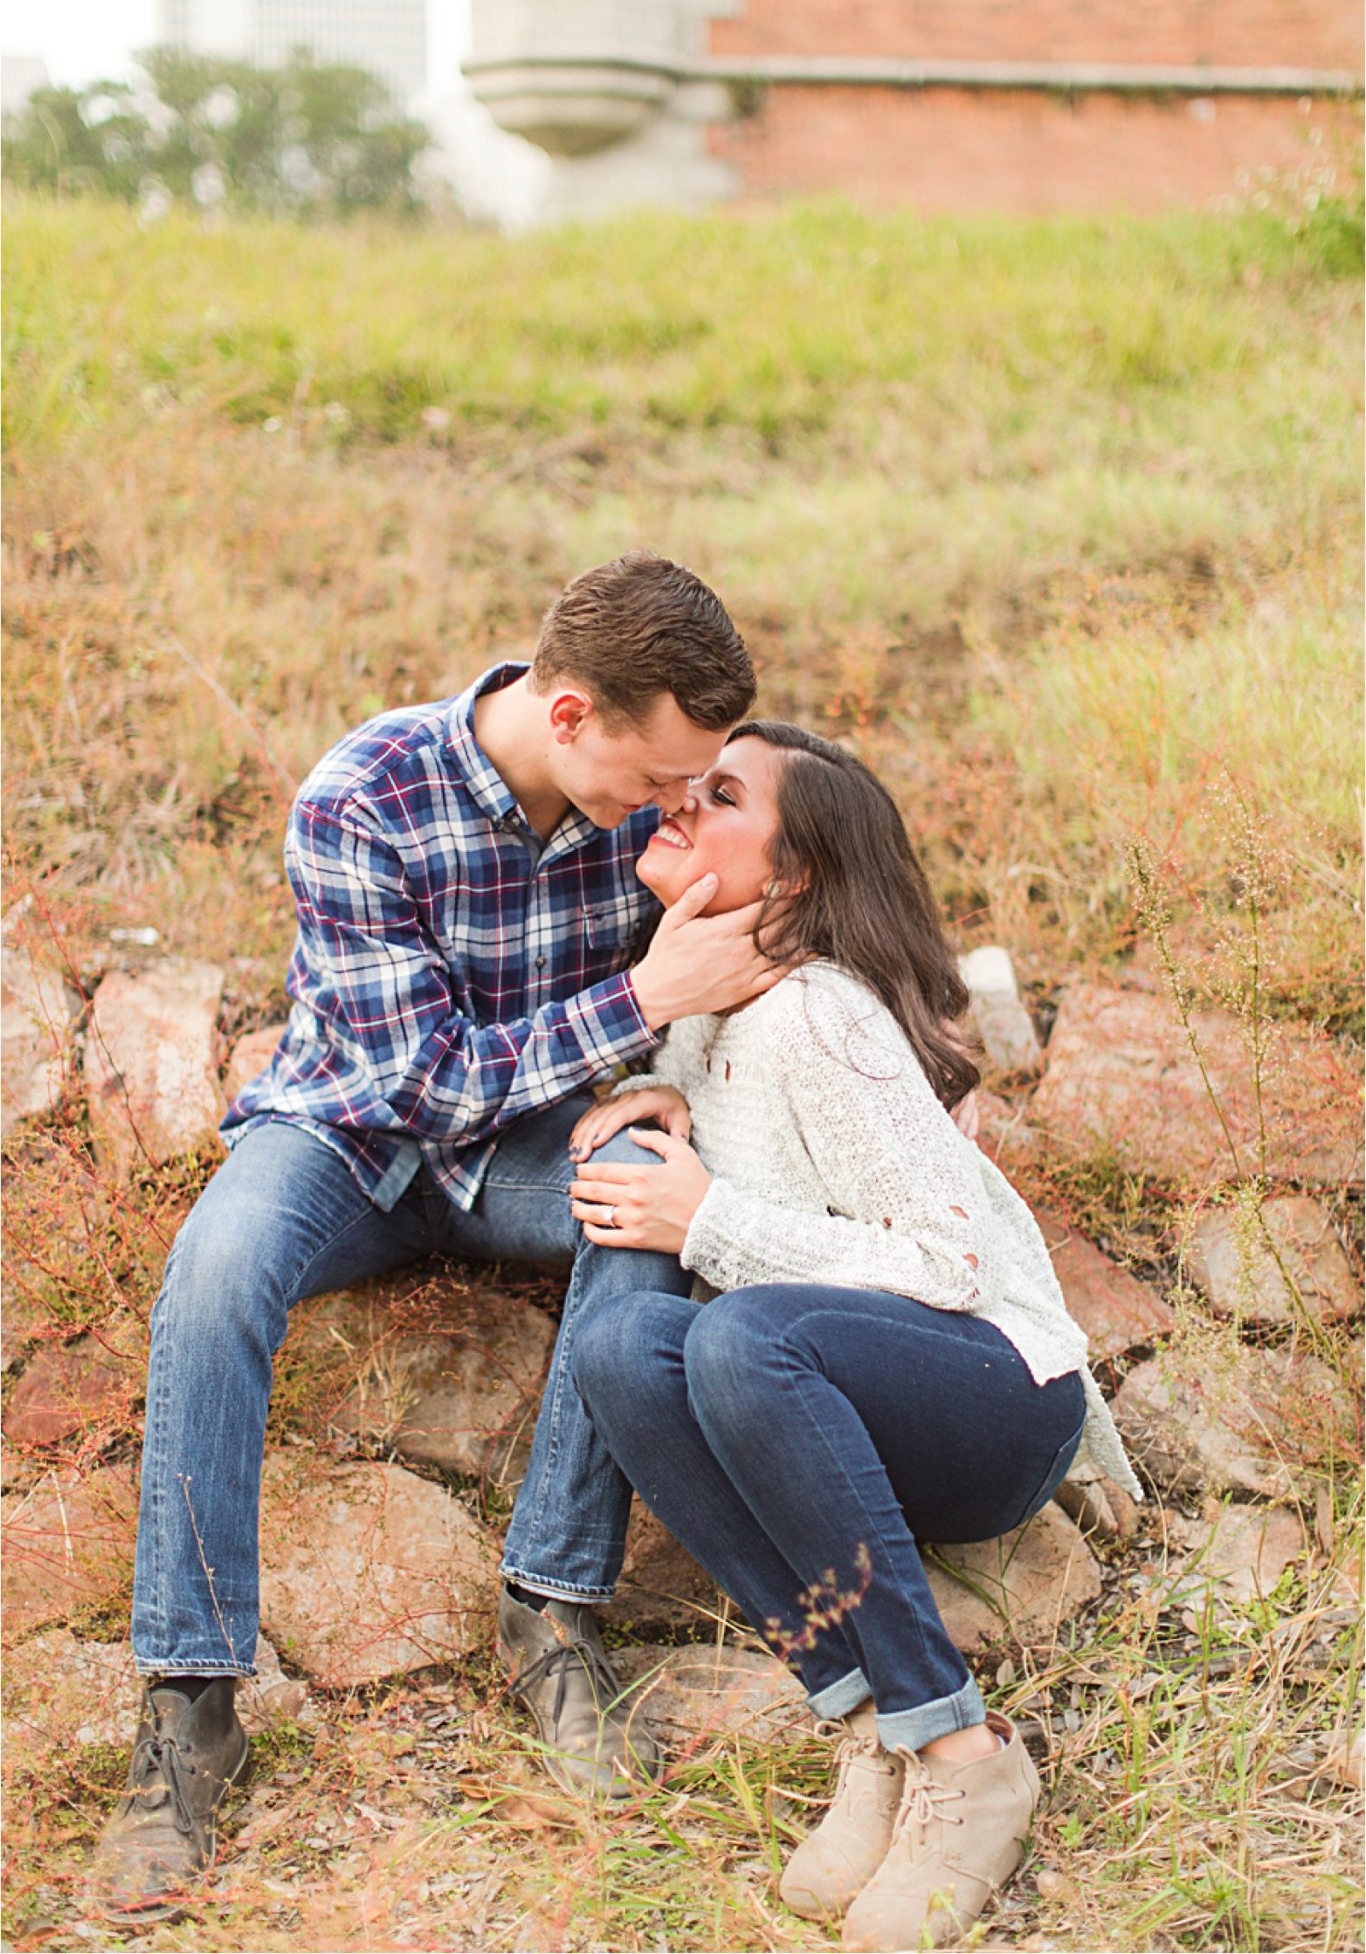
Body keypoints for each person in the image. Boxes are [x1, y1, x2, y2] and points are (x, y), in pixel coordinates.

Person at [89, 553, 780, 1920]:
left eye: (690, 784)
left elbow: (772, 922)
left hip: (530, 1153)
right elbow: (428, 1083)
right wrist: (642, 993)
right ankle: (189, 1706)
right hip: (347, 1136)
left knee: (640, 1196)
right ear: (567, 711)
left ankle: (551, 1613)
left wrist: (666, 1074)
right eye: (655, 781)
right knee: (215, 1269)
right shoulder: (362, 793)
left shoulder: (646, 802)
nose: (671, 809)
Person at [565, 722, 1142, 1953]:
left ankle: (965, 1755)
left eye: (716, 795)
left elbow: (948, 1265)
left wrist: (709, 1216)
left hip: (998, 1397)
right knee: (623, 1350)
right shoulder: (714, 1015)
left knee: (737, 1338)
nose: (673, 803)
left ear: (789, 878)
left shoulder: (818, 1019)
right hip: (848, 1402)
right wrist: (667, 1102)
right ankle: (870, 1729)